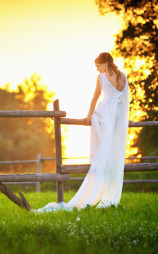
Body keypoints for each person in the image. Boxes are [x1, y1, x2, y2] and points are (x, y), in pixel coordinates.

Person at [32, 52, 130, 212]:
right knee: (108, 148)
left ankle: (99, 171)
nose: (97, 70)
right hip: (115, 115)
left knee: (101, 130)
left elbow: (96, 98)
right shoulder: (121, 76)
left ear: (105, 63)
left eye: (98, 66)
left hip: (108, 114)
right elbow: (121, 99)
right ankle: (106, 183)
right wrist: (114, 116)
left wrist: (91, 114)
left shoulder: (104, 78)